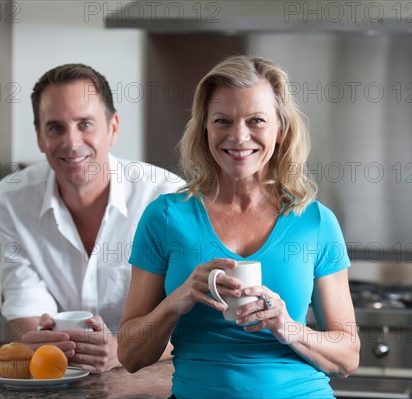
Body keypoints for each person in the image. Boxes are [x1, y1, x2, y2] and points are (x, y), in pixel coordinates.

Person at [117, 55, 360, 398]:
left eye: (256, 120)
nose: (239, 136)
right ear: (205, 129)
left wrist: (287, 326)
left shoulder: (316, 222)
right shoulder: (165, 217)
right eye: (222, 121)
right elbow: (130, 355)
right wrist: (178, 298)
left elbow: (348, 357)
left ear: (281, 130)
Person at [0, 63, 182, 372]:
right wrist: (37, 341)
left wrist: (123, 351)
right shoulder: (9, 200)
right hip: (61, 375)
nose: (71, 142)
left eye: (85, 124)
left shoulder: (168, 197)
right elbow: (25, 308)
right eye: (55, 128)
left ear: (113, 128)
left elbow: (193, 319)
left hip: (156, 375)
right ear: (39, 137)